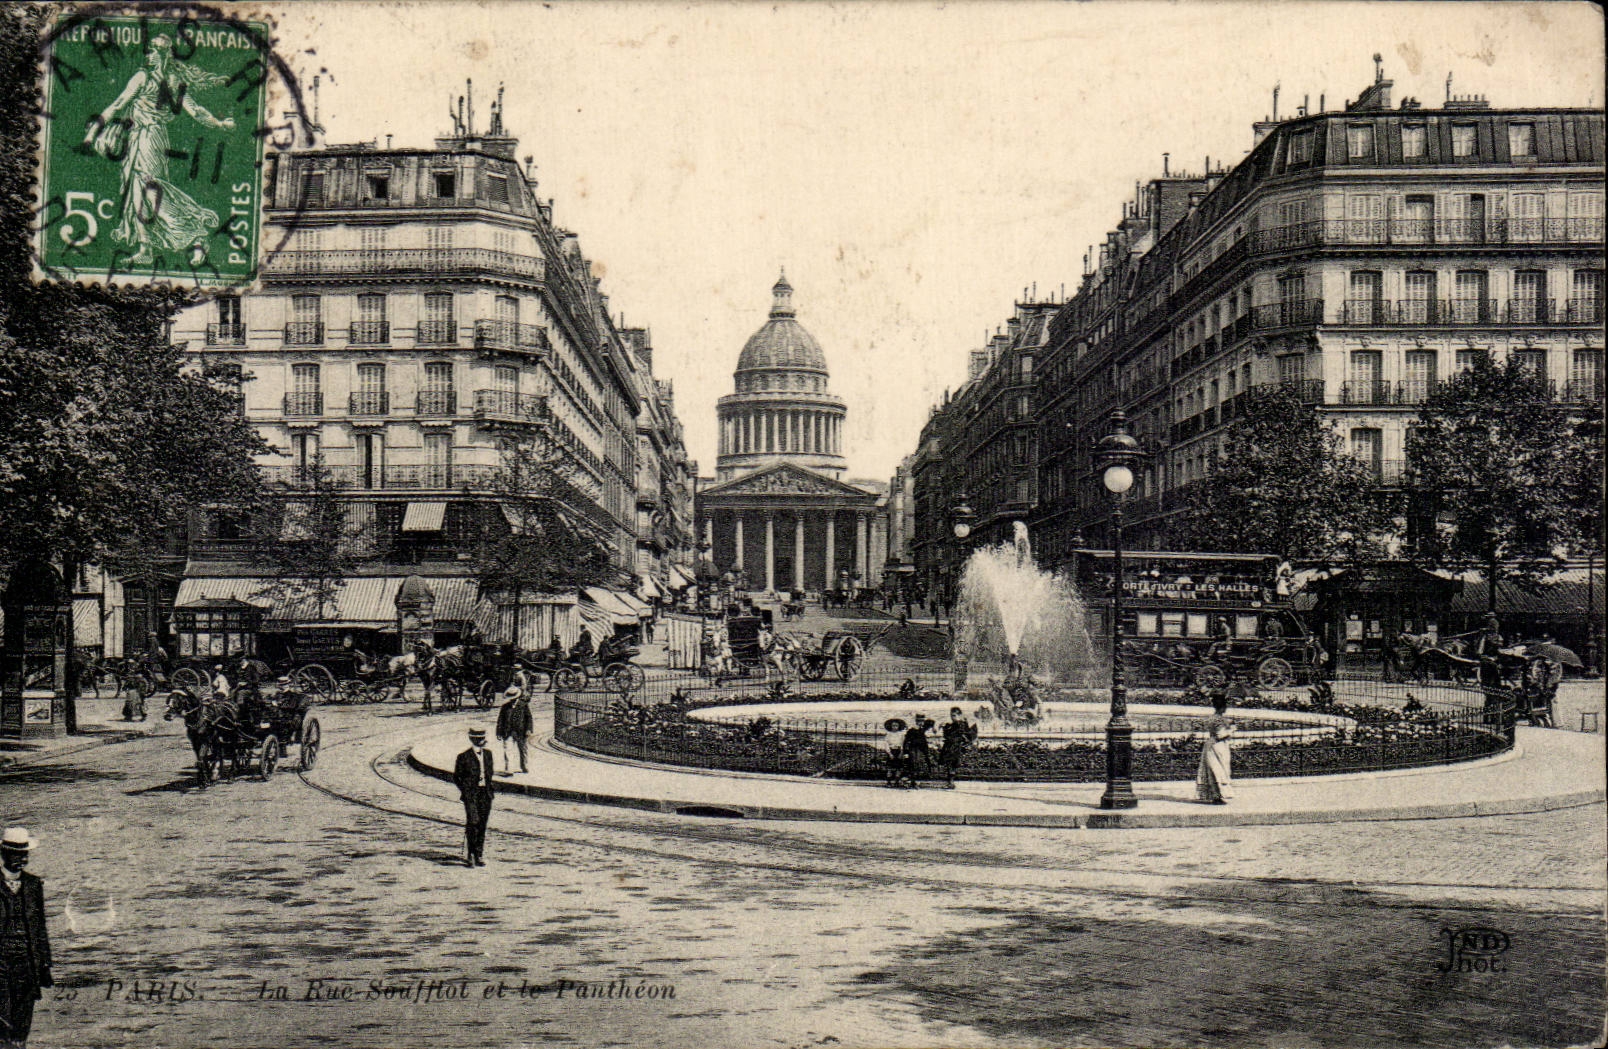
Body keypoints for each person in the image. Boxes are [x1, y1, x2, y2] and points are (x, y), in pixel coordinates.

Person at [83, 35, 237, 265]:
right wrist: (92, 131)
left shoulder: (170, 81)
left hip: (152, 138)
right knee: (137, 194)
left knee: (152, 190)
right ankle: (146, 248)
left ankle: (197, 235)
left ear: (163, 53)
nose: (148, 56)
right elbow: (117, 105)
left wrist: (218, 123)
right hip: (137, 138)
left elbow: (195, 110)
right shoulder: (142, 77)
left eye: (152, 51)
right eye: (148, 51)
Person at [1, 828, 52, 1049]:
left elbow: (40, 928)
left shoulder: (33, 885)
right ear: (3, 854)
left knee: (22, 1024)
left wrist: (45, 964)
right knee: (2, 1021)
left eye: (25, 853)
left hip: (27, 963)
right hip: (0, 963)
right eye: (16, 853)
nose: (23, 858)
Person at [452, 727, 496, 866]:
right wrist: (466, 790)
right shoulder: (463, 757)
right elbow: (456, 776)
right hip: (471, 794)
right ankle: (470, 854)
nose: (483, 740)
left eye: (483, 737)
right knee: (473, 822)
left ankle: (479, 854)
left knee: (482, 824)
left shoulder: (488, 754)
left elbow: (490, 773)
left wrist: (489, 788)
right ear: (474, 740)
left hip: (485, 794)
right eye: (480, 738)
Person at [1196, 693, 1236, 804]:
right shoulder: (1218, 719)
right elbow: (1220, 734)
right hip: (1217, 746)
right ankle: (1217, 796)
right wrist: (1232, 729)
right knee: (1219, 770)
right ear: (1222, 707)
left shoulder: (1213, 718)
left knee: (1213, 770)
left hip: (1212, 745)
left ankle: (1216, 795)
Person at [495, 686, 534, 775]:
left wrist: (528, 729)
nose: (512, 700)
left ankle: (524, 766)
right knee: (508, 749)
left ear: (517, 697)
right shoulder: (505, 707)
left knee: (523, 749)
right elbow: (500, 720)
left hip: (521, 731)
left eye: (513, 698)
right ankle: (509, 769)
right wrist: (499, 732)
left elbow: (529, 718)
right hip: (508, 732)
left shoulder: (523, 705)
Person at [937, 707, 978, 789]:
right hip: (950, 746)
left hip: (955, 747)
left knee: (952, 764)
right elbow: (947, 735)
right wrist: (943, 727)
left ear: (959, 715)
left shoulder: (961, 724)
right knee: (949, 765)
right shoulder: (953, 725)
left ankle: (951, 782)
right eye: (951, 715)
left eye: (954, 715)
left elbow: (964, 734)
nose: (952, 717)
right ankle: (950, 782)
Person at [901, 716, 933, 788]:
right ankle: (910, 782)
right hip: (913, 750)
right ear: (916, 722)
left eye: (922, 722)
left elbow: (931, 722)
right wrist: (906, 752)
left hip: (921, 750)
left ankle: (915, 782)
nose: (920, 723)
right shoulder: (911, 730)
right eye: (919, 721)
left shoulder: (922, 730)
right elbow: (906, 742)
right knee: (912, 765)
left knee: (919, 765)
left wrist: (926, 752)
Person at [881, 717, 907, 787]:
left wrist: (901, 752)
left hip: (898, 751)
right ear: (891, 726)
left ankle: (896, 782)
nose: (895, 727)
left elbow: (903, 743)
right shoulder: (888, 734)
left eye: (896, 726)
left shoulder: (901, 735)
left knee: (898, 768)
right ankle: (889, 782)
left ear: (899, 727)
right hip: (891, 751)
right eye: (893, 725)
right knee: (890, 768)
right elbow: (886, 744)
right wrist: (889, 753)